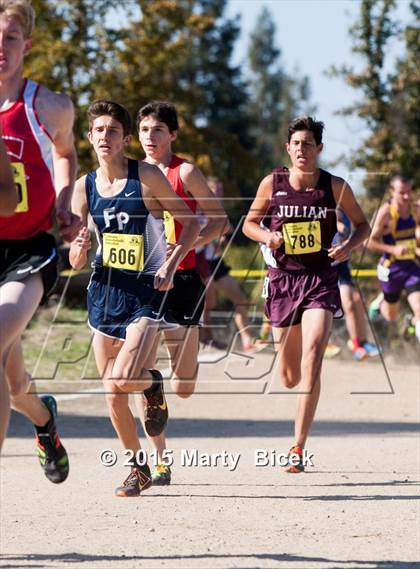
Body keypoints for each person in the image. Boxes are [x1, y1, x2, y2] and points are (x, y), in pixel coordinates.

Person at [70, 100, 199, 496]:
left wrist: (171, 264)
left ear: (125, 139)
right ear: (89, 137)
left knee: (124, 378)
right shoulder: (84, 187)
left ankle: (152, 383)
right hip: (106, 292)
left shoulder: (146, 177)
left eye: (113, 131)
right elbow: (75, 260)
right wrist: (79, 245)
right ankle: (137, 468)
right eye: (99, 130)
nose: (105, 137)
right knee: (111, 395)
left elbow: (192, 222)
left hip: (147, 290)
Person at [243, 116, 370, 472]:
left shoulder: (335, 186)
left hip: (319, 279)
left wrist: (347, 245)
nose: (302, 149)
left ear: (319, 149)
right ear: (288, 148)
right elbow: (249, 224)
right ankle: (289, 376)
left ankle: (297, 446)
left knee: (313, 355)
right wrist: (267, 236)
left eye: (308, 144)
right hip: (283, 280)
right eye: (296, 143)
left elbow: (363, 225)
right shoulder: (273, 183)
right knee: (289, 376)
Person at [0, 0, 80, 477]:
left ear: (26, 45)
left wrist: (66, 198)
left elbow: (65, 153)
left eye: (9, 39)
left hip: (28, 251)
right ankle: (45, 420)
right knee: (16, 389)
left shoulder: (48, 105)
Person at [134, 101, 228, 485]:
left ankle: (166, 382)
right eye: (143, 131)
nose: (150, 138)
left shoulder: (184, 172)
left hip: (185, 283)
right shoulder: (130, 174)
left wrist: (185, 247)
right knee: (140, 367)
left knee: (184, 387)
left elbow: (220, 221)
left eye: (157, 130)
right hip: (143, 282)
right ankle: (160, 460)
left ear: (172, 134)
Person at [199, 176, 256, 353]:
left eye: (220, 191)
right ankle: (206, 336)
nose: (218, 194)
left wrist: (218, 239)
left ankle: (247, 340)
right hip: (198, 261)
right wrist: (211, 236)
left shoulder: (219, 211)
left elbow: (225, 232)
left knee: (240, 299)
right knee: (209, 302)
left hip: (215, 261)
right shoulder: (198, 209)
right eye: (214, 191)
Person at [367, 175, 420, 342]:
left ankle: (412, 321)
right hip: (391, 268)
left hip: (411, 267)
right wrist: (393, 249)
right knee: (390, 315)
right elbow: (369, 242)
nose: (406, 196)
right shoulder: (385, 213)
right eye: (401, 193)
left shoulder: (415, 209)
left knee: (419, 309)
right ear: (392, 192)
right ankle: (381, 301)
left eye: (408, 192)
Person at [326, 208, 380, 361]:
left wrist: (358, 245)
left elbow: (353, 237)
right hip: (326, 267)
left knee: (357, 301)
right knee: (347, 303)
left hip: (341, 266)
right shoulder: (322, 207)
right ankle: (353, 344)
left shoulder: (346, 212)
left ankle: (362, 342)